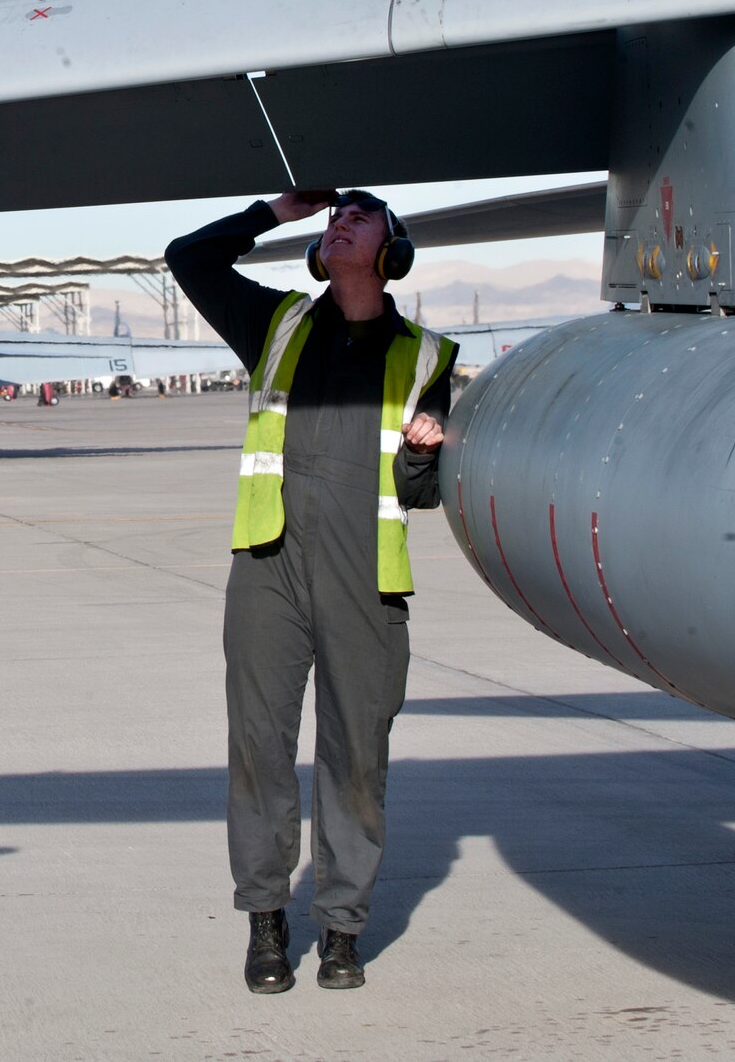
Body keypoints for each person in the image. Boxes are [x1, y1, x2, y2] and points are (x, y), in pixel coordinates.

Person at [166, 189, 457, 994]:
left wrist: (429, 450)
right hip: (271, 565)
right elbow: (186, 258)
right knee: (257, 747)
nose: (341, 223)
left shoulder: (430, 355)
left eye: (359, 218)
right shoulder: (279, 322)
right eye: (335, 219)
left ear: (390, 251)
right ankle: (265, 921)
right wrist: (273, 210)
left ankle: (341, 930)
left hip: (366, 579)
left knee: (356, 756)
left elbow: (420, 493)